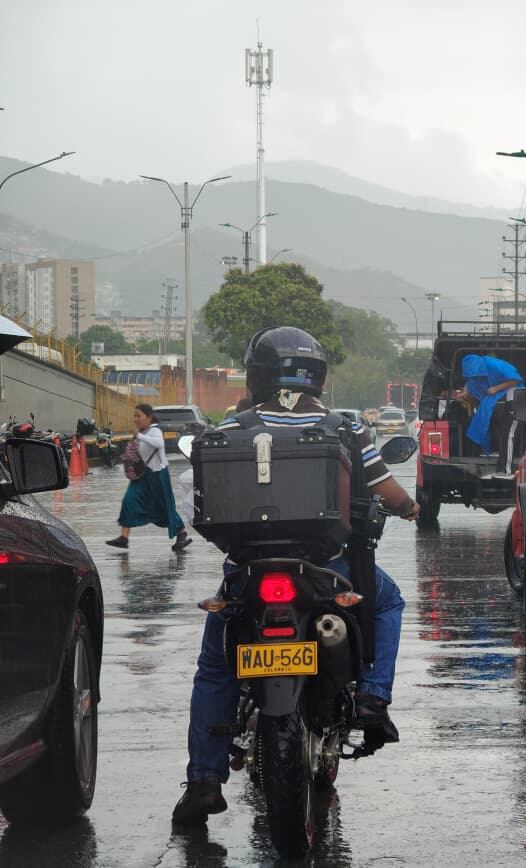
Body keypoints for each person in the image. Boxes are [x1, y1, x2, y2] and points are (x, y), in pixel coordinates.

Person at [172, 326, 419, 828]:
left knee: (217, 666)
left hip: (248, 570)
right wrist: (411, 507)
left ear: (256, 373)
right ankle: (373, 697)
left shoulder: (232, 427)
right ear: (319, 375)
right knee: (387, 603)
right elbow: (388, 491)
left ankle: (203, 782)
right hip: (326, 567)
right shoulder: (347, 429)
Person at [106, 403, 191, 552]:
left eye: (139, 416)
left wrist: (139, 436)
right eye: (135, 416)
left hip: (157, 475)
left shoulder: (154, 431)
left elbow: (159, 443)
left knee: (163, 507)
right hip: (143, 475)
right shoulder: (143, 432)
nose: (136, 419)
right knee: (129, 500)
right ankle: (124, 537)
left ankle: (181, 533)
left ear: (149, 417)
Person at [455, 353, 524, 474]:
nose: (475, 377)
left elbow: (516, 379)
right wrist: (463, 393)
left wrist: (495, 389)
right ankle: (502, 467)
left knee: (508, 434)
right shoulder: (478, 372)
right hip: (503, 402)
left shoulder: (495, 365)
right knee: (504, 433)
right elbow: (471, 383)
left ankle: (506, 471)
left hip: (515, 398)